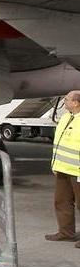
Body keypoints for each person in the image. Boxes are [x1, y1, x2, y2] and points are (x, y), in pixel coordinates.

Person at [45, 90, 80, 246]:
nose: (64, 102)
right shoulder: (66, 118)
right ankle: (66, 233)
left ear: (76, 103)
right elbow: (59, 144)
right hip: (62, 169)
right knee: (62, 201)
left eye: (67, 99)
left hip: (78, 171)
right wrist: (55, 164)